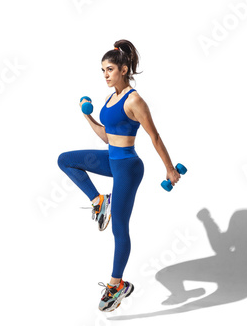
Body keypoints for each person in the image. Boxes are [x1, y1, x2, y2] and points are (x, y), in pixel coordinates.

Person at [57, 39, 181, 312]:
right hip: (111, 159)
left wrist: (169, 169)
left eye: (110, 69)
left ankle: (117, 284)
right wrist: (87, 117)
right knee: (66, 160)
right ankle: (100, 200)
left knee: (119, 228)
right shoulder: (110, 98)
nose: (105, 75)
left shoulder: (134, 99)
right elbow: (106, 137)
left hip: (128, 167)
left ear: (124, 69)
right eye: (102, 70)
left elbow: (154, 136)